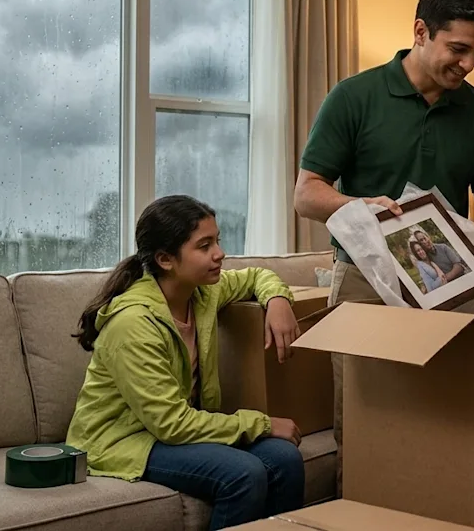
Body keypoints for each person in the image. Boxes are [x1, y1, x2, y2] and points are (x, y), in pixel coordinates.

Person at [293, 0, 474, 494]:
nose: (469, 64)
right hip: (365, 282)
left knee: (442, 418)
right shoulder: (354, 97)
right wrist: (359, 206)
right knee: (366, 422)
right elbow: (307, 194)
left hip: (448, 285)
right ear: (420, 31)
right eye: (458, 49)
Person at [66, 195, 306, 531]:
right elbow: (171, 424)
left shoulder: (202, 293)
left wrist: (278, 300)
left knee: (286, 460)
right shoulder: (133, 323)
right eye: (204, 246)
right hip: (124, 440)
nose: (219, 253)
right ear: (165, 259)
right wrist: (262, 423)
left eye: (217, 241)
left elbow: (256, 276)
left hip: (169, 430)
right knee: (244, 474)